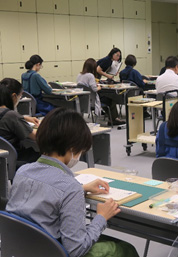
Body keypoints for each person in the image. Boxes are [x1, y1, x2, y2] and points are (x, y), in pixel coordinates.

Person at [6, 108, 139, 257]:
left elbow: (46, 194)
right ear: (73, 149)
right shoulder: (70, 188)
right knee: (125, 249)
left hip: (22, 249)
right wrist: (101, 217)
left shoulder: (23, 171)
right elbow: (75, 250)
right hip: (53, 251)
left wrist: (81, 188)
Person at [0, 78, 40, 163]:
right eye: (20, 96)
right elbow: (36, 137)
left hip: (4, 158)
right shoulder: (12, 116)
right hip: (16, 158)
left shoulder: (9, 115)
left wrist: (24, 117)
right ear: (14, 96)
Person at [77, 58, 125, 125]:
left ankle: (111, 118)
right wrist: (99, 87)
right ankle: (114, 119)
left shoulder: (79, 75)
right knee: (111, 100)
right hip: (92, 100)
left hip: (84, 99)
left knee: (106, 100)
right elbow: (95, 89)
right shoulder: (90, 76)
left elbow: (86, 86)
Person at [119, 54, 151, 119]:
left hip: (125, 94)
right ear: (134, 63)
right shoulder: (135, 72)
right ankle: (144, 111)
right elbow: (141, 83)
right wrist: (144, 81)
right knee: (144, 90)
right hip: (135, 94)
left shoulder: (121, 72)